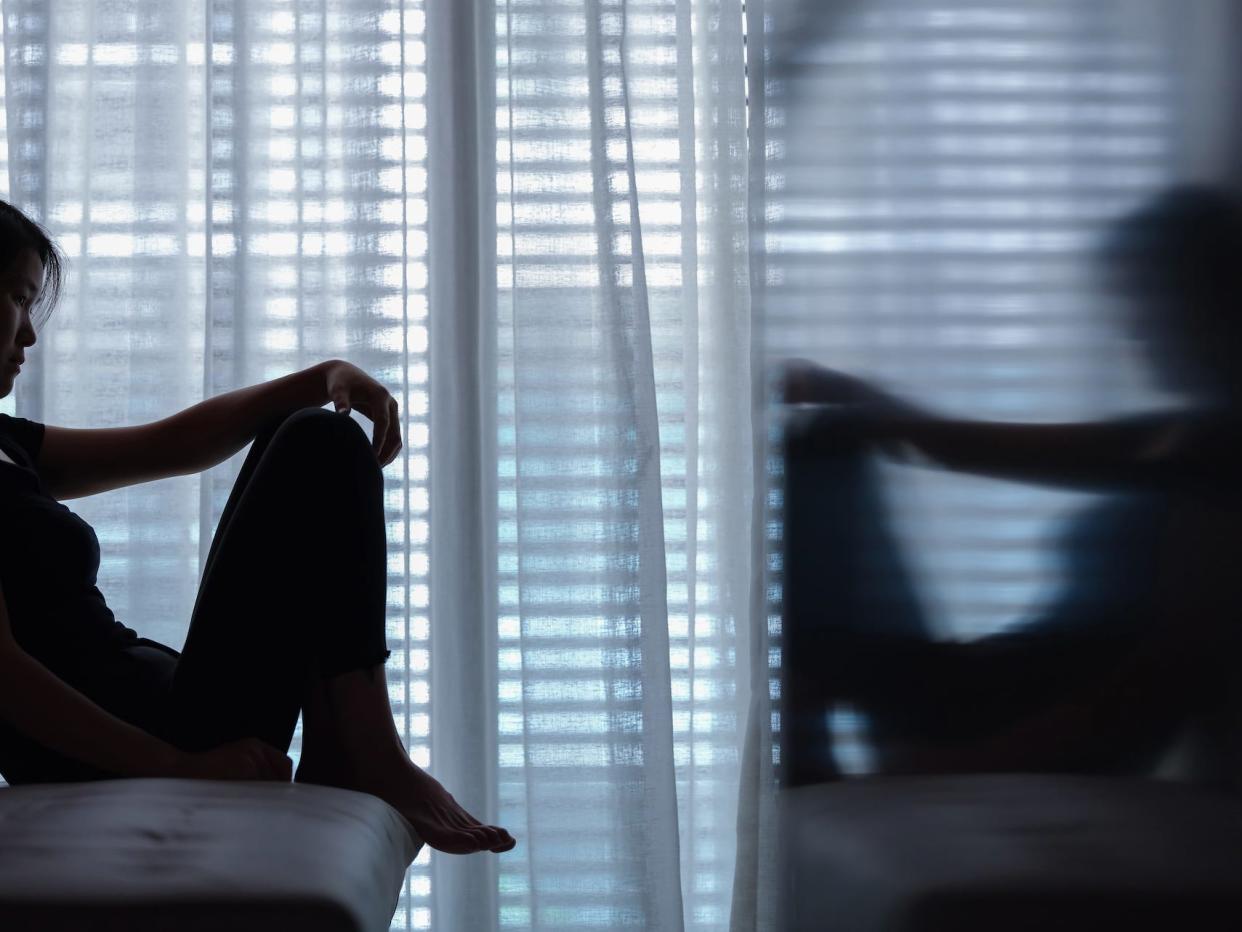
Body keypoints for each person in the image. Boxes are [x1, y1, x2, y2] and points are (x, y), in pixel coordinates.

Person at [0, 199, 515, 855]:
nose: (29, 336)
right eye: (18, 299)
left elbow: (170, 444)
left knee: (298, 431)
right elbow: (5, 678)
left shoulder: (5, 444)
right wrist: (176, 767)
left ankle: (346, 744)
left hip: (168, 708)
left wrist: (323, 376)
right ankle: (368, 750)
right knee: (319, 442)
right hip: (141, 742)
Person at [778, 185, 1242, 786]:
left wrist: (955, 770)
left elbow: (1157, 683)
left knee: (823, 450)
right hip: (984, 684)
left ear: (1208, 305)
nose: (1134, 332)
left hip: (1008, 715)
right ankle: (800, 733)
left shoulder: (1221, 461)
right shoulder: (1181, 437)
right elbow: (965, 446)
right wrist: (848, 393)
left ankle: (803, 754)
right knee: (833, 440)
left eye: (1146, 306)